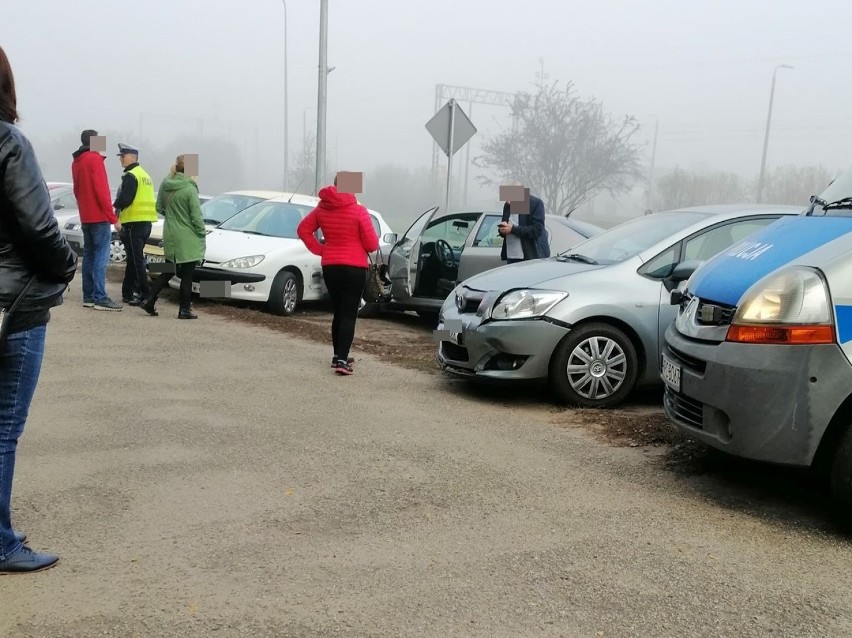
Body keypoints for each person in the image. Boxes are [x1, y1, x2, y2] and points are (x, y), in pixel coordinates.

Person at [0, 45, 78, 573]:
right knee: (4, 425)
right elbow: (39, 226)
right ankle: (1, 543)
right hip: (13, 308)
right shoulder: (7, 142)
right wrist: (66, 265)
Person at [297, 174, 378, 375]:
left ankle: (337, 355)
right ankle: (343, 361)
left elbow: (303, 230)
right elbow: (372, 245)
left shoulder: (322, 209)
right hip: (355, 267)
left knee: (339, 312)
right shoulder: (359, 211)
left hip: (331, 265)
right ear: (351, 188)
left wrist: (321, 249)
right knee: (349, 313)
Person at [141, 155, 206, 319]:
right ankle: (184, 310)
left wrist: (172, 217)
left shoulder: (165, 183)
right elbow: (196, 216)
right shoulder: (190, 189)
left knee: (168, 269)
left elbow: (159, 207)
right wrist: (201, 232)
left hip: (170, 231)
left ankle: (149, 299)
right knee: (188, 273)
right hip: (187, 235)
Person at [71, 129, 121, 311]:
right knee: (101, 258)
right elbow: (102, 191)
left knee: (89, 257)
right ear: (94, 141)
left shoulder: (77, 161)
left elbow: (77, 190)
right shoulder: (95, 159)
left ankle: (89, 296)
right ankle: (100, 297)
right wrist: (112, 217)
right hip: (99, 217)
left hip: (86, 216)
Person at [113, 143, 157, 306]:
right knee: (133, 260)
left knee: (137, 261)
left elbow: (126, 199)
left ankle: (146, 294)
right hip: (145, 223)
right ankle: (128, 292)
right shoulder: (145, 175)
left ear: (132, 157)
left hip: (134, 224)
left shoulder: (131, 175)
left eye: (122, 157)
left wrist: (114, 205)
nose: (121, 160)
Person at [498, 191, 550, 264]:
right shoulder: (507, 206)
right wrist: (502, 230)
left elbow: (536, 230)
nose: (508, 202)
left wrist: (512, 229)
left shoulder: (534, 203)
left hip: (528, 257)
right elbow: (507, 228)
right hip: (511, 256)